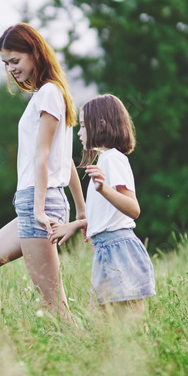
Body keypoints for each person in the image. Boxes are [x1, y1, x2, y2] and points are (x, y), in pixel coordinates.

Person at [0, 23, 85, 320]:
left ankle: (93, 356)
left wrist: (41, 209)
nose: (11, 70)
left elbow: (43, 155)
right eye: (6, 64)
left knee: (54, 308)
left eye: (15, 61)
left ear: (35, 53)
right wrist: (81, 211)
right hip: (36, 204)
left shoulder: (48, 93)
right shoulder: (51, 94)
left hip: (38, 205)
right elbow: (64, 159)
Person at [48, 94, 156, 318]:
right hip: (107, 251)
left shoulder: (113, 159)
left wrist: (104, 189)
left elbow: (133, 209)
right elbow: (108, 216)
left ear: (101, 125)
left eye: (84, 126)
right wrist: (76, 225)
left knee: (129, 326)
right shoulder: (103, 161)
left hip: (120, 251)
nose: (79, 132)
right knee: (103, 326)